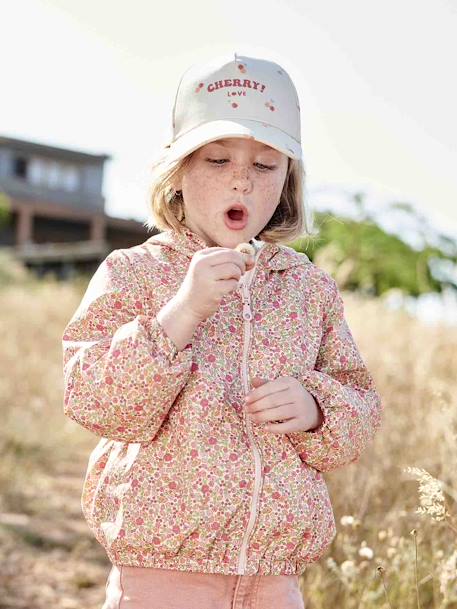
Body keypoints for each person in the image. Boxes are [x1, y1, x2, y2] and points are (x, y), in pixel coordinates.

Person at [62, 52, 383, 609]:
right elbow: (94, 400)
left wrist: (316, 410)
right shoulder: (134, 272)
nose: (241, 178)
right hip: (162, 574)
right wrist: (179, 316)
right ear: (178, 174)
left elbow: (360, 407)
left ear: (287, 184)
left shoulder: (308, 290)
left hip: (275, 579)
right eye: (216, 159)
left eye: (265, 166)